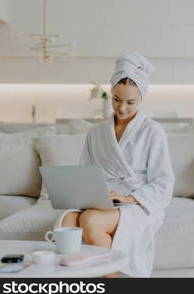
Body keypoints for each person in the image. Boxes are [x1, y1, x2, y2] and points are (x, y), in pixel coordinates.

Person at [53, 52, 175, 277]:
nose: (122, 108)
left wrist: (128, 198)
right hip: (102, 198)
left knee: (90, 220)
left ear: (142, 99)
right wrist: (89, 194)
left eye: (131, 102)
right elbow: (85, 172)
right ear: (111, 94)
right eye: (117, 99)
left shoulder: (152, 131)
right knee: (67, 221)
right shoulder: (97, 132)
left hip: (137, 202)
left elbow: (164, 183)